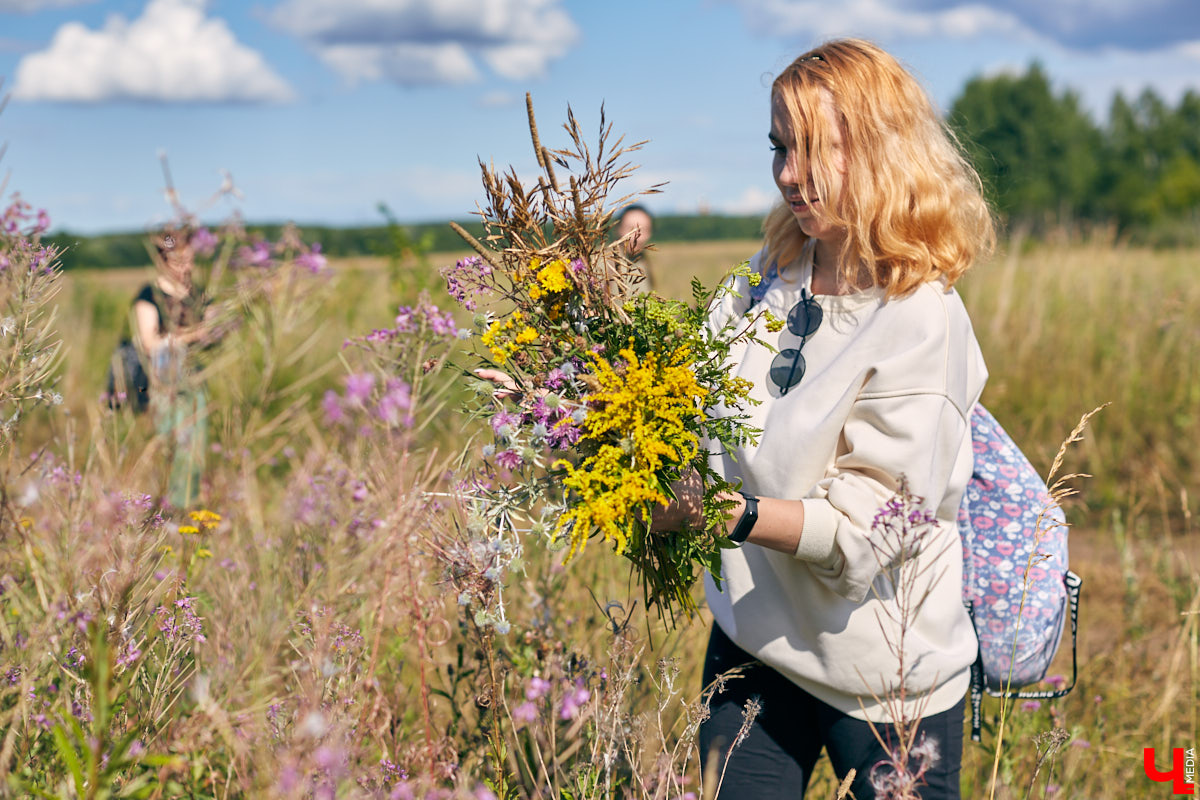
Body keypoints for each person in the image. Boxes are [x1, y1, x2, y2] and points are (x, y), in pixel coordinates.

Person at [649, 39, 994, 799]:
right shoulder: (769, 276)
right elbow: (682, 402)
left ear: (879, 150)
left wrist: (721, 514)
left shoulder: (920, 317)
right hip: (754, 645)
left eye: (810, 149)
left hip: (886, 680)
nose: (786, 174)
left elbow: (872, 530)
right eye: (779, 147)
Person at [132, 226, 214, 510]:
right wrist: (193, 334)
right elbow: (150, 344)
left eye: (190, 260)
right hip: (163, 384)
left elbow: (211, 335)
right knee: (171, 449)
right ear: (161, 260)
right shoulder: (149, 295)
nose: (185, 267)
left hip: (195, 381)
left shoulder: (199, 293)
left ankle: (185, 508)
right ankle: (165, 511)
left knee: (195, 452)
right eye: (178, 261)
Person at [614, 204, 655, 290]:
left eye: (644, 230)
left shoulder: (646, 264)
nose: (637, 238)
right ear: (618, 229)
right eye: (630, 229)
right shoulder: (602, 265)